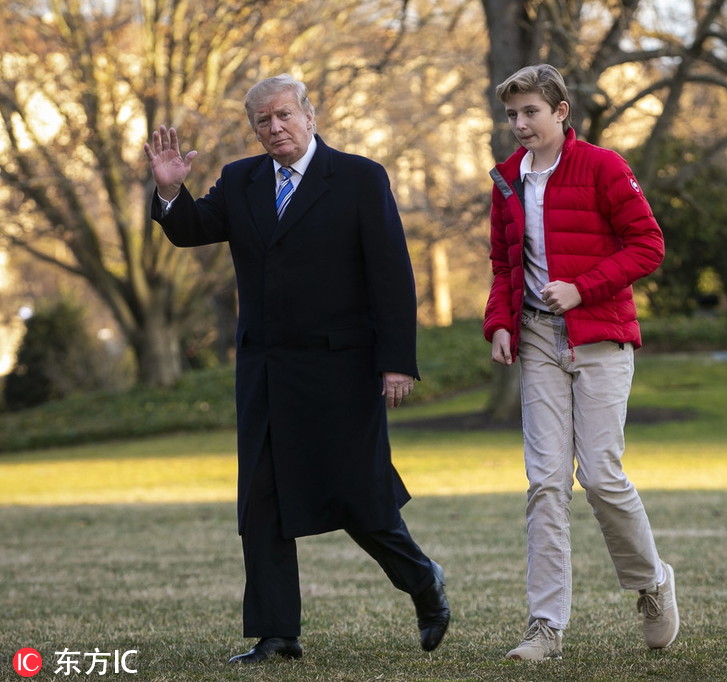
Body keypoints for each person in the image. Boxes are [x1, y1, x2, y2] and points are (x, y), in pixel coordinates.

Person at [144, 74, 450, 664]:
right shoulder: (241, 180)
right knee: (262, 500)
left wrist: (397, 363)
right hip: (265, 368)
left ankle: (423, 581)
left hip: (343, 367)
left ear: (310, 114)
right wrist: (168, 194)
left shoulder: (360, 177)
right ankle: (277, 634)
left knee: (359, 497)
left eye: (284, 114)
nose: (274, 127)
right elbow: (191, 231)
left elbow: (392, 274)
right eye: (263, 120)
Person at [483, 64, 679, 661]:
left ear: (561, 111)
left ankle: (652, 584)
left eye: (531, 112)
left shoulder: (603, 166)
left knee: (599, 475)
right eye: (512, 114)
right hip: (538, 341)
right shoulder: (506, 179)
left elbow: (649, 245)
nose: (520, 124)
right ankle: (546, 627)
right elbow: (501, 264)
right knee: (545, 482)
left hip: (599, 338)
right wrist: (497, 323)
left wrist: (582, 287)